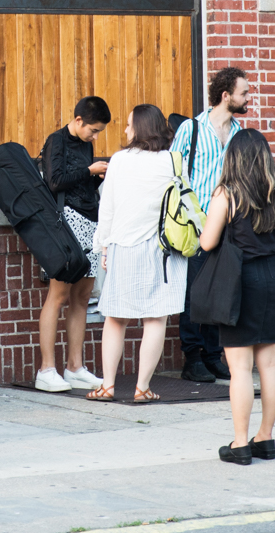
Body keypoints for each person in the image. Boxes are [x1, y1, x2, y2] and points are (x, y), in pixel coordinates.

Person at [200, 130, 275, 464]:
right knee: (269, 363)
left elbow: (207, 242)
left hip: (241, 279)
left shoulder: (227, 194)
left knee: (240, 369)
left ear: (233, 158)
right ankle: (265, 438)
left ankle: (240, 443)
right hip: (273, 276)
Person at [88, 104, 182, 403]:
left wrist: (103, 246)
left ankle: (108, 385)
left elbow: (108, 208)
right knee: (155, 319)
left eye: (130, 125)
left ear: (140, 128)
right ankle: (142, 388)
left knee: (116, 319)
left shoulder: (120, 160)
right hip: (161, 249)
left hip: (123, 246)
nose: (127, 130)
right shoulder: (171, 160)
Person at [169, 66, 251, 383]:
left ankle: (212, 356)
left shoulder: (240, 133)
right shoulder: (190, 129)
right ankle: (192, 359)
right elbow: (172, 174)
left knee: (221, 292)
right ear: (226, 95)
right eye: (244, 93)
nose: (248, 98)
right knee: (193, 293)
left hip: (229, 225)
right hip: (195, 225)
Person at [34, 95, 110, 393]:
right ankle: (46, 369)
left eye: (98, 132)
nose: (95, 136)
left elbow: (79, 183)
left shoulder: (85, 143)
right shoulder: (57, 140)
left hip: (90, 221)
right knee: (59, 295)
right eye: (93, 130)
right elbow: (55, 182)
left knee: (83, 296)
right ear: (78, 120)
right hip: (66, 223)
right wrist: (89, 171)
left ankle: (75, 367)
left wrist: (97, 176)